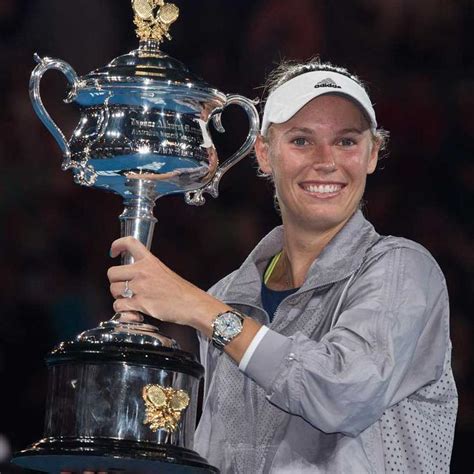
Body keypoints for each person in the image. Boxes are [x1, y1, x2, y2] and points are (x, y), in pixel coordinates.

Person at [108, 59, 458, 473]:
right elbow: (216, 456)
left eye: (346, 141)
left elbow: (341, 393)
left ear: (372, 154)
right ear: (263, 153)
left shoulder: (403, 269)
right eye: (301, 141)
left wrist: (202, 311)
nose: (326, 161)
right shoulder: (228, 295)